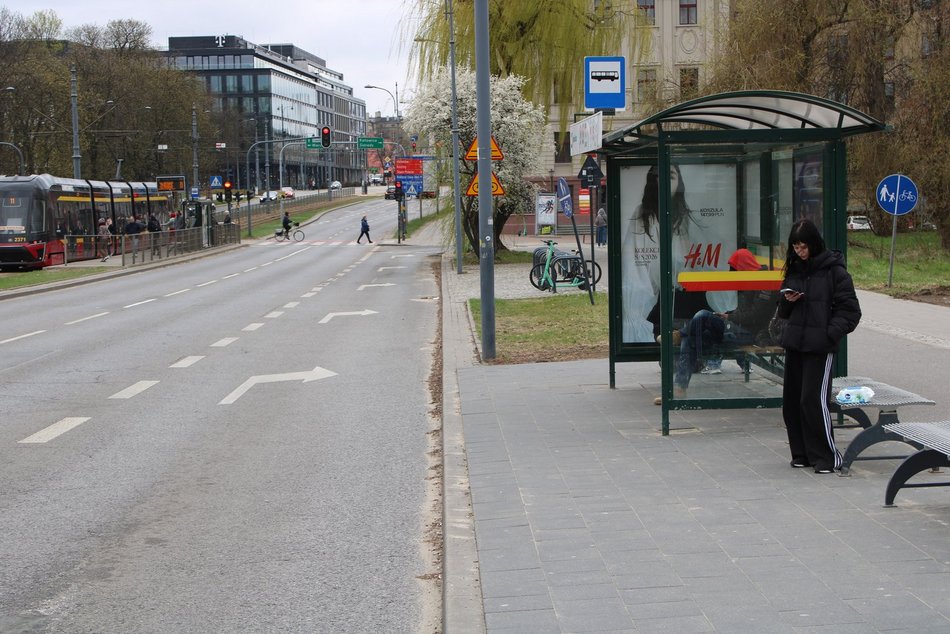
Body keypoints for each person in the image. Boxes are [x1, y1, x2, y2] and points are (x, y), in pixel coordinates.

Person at [777, 218, 861, 474]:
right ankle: (801, 453)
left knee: (812, 401)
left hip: (819, 347)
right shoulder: (795, 269)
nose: (799, 252)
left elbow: (850, 311)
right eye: (795, 247)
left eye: (803, 247)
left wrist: (829, 334)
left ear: (814, 244)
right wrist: (789, 301)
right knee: (792, 402)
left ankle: (827, 456)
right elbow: (782, 310)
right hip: (796, 343)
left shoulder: (835, 271)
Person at [657, 249, 777, 404]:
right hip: (735, 327)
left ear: (743, 266)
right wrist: (727, 314)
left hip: (747, 334)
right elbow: (744, 311)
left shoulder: (764, 283)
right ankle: (679, 389)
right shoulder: (750, 278)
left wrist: (729, 317)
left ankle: (678, 334)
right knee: (690, 338)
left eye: (735, 269)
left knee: (702, 315)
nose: (734, 273)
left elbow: (756, 316)